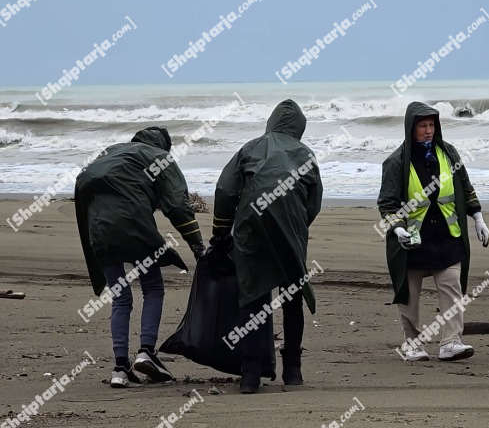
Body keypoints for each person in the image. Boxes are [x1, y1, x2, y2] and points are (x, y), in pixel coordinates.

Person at [75, 126, 205, 388]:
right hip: (135, 230)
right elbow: (177, 205)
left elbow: (83, 183)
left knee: (120, 298)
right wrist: (198, 246)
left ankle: (120, 368)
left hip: (98, 229)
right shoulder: (160, 157)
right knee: (153, 287)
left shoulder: (112, 153)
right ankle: (146, 352)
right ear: (164, 145)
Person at [212, 99, 323, 393]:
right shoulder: (305, 153)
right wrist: (297, 227)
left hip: (252, 230)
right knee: (292, 297)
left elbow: (224, 190)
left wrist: (220, 232)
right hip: (290, 232)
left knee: (253, 298)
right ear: (299, 127)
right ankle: (293, 371)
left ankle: (250, 375)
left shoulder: (250, 148)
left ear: (271, 122)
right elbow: (314, 203)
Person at [378, 101, 489, 362]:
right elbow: (387, 203)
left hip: (447, 237)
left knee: (452, 289)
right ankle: (413, 344)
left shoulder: (448, 153)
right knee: (409, 295)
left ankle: (451, 342)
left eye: (431, 125)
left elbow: (466, 186)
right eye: (423, 126)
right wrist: (397, 228)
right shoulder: (396, 162)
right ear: (411, 128)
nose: (428, 131)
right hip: (412, 240)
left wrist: (478, 217)